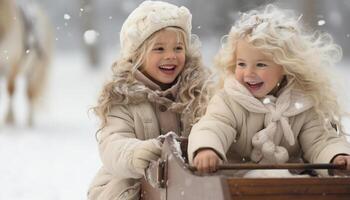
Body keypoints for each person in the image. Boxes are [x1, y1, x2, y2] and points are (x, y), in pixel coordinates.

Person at [188, 4, 350, 177]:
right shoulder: (229, 100)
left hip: (290, 185)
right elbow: (214, 126)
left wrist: (336, 156)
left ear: (285, 67)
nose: (248, 73)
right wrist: (207, 148)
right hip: (237, 182)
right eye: (241, 64)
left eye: (261, 64)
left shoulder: (303, 104)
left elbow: (320, 141)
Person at [87, 1, 212, 199]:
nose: (171, 56)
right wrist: (136, 152)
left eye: (178, 48)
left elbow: (217, 125)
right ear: (137, 55)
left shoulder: (199, 92)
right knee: (124, 188)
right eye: (159, 49)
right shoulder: (123, 97)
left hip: (186, 183)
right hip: (134, 179)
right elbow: (112, 144)